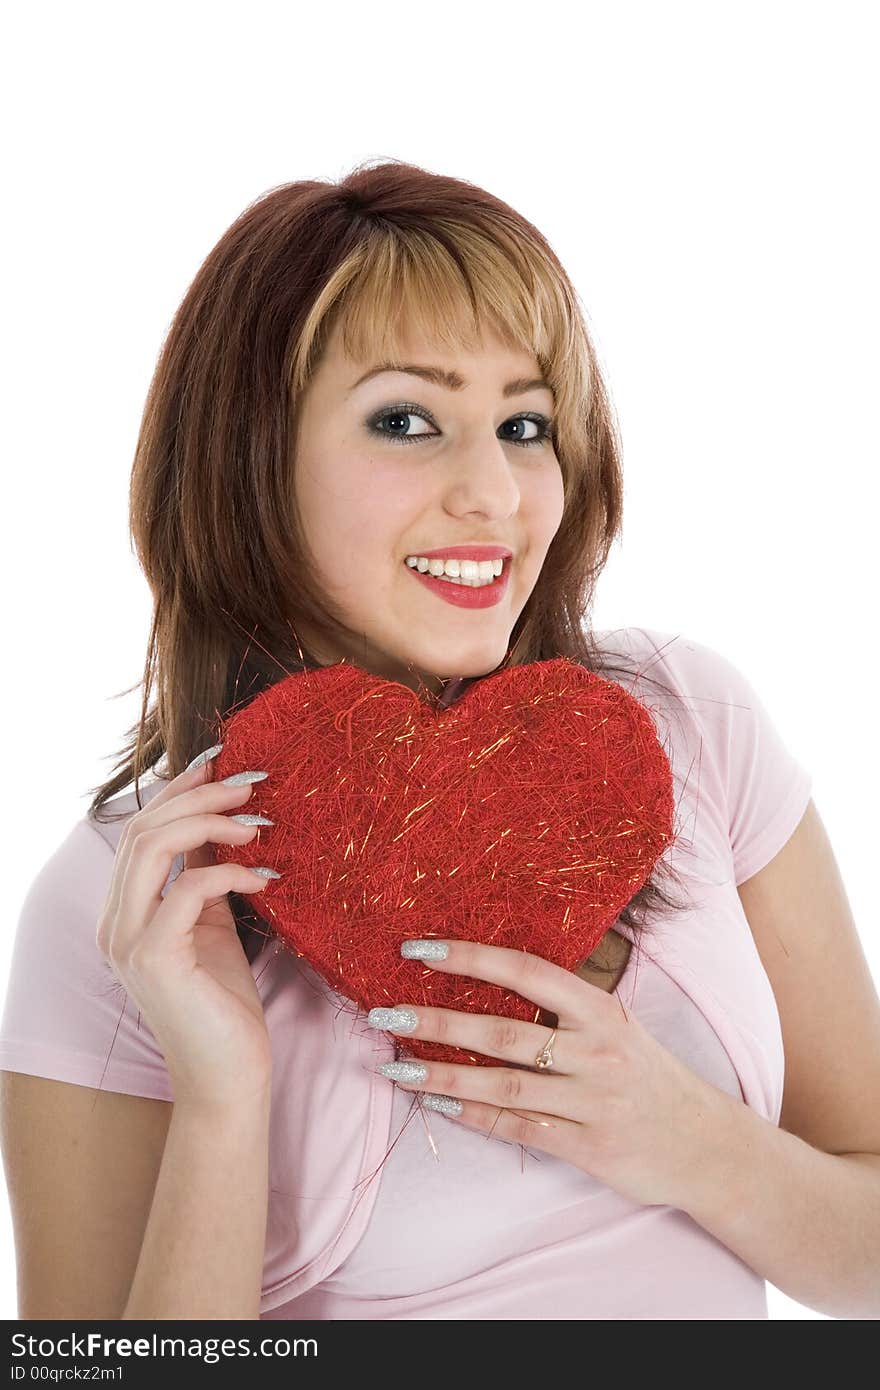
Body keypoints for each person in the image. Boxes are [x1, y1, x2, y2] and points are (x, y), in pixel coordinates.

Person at [2, 160, 878, 1322]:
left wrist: (688, 1141)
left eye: (524, 423)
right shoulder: (132, 900)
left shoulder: (691, 722)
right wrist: (225, 1096)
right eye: (406, 420)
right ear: (250, 457)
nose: (496, 492)